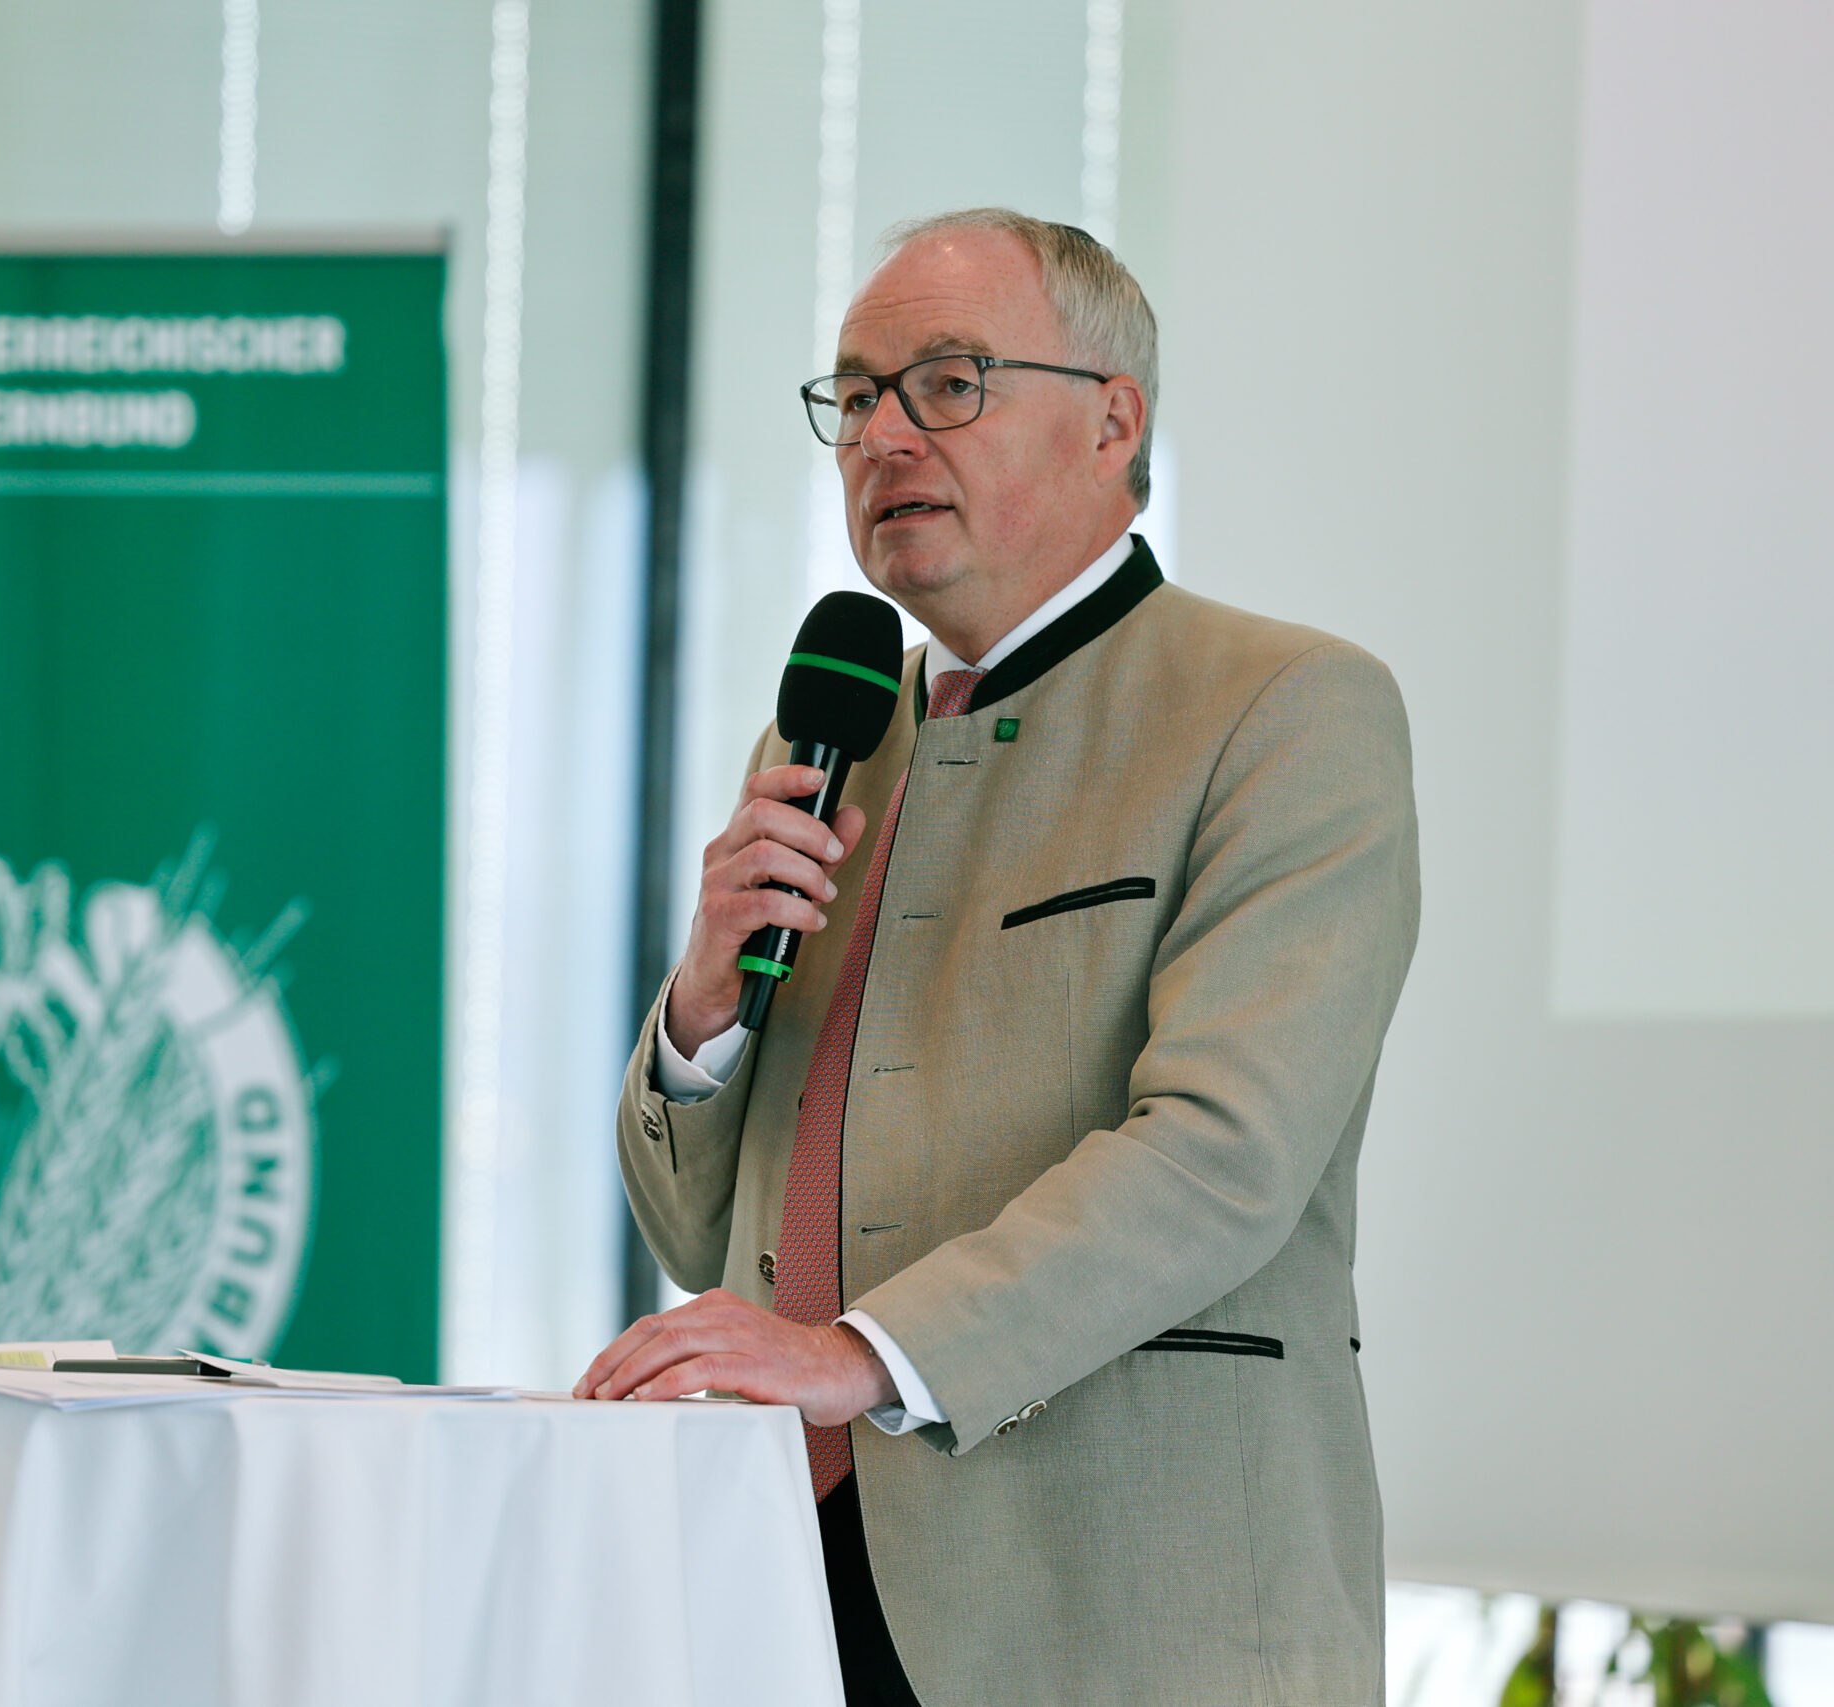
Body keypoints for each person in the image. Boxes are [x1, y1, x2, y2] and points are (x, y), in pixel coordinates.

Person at [575, 207, 1421, 1707]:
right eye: (855, 394)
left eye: (948, 383)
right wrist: (704, 1006)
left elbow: (1223, 1158)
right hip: (786, 1590)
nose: (885, 435)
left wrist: (862, 1353)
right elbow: (703, 1239)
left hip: (1119, 1613)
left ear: (1115, 422)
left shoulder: (1285, 710)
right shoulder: (829, 733)